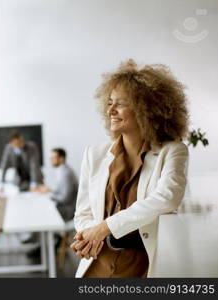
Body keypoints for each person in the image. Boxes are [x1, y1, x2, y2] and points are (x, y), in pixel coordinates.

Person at [70, 59, 189, 278]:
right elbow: (83, 212)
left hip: (140, 266)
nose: (111, 111)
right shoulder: (94, 155)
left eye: (120, 103)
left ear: (146, 108)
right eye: (109, 103)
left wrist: (104, 227)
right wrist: (90, 236)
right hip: (97, 263)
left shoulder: (172, 151)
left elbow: (167, 197)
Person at [39, 148, 78, 222]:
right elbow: (61, 191)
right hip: (64, 206)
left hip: (68, 210)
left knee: (42, 212)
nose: (51, 160)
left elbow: (65, 198)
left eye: (53, 158)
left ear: (61, 159)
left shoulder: (66, 173)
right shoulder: (61, 170)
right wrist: (49, 190)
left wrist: (49, 195)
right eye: (51, 158)